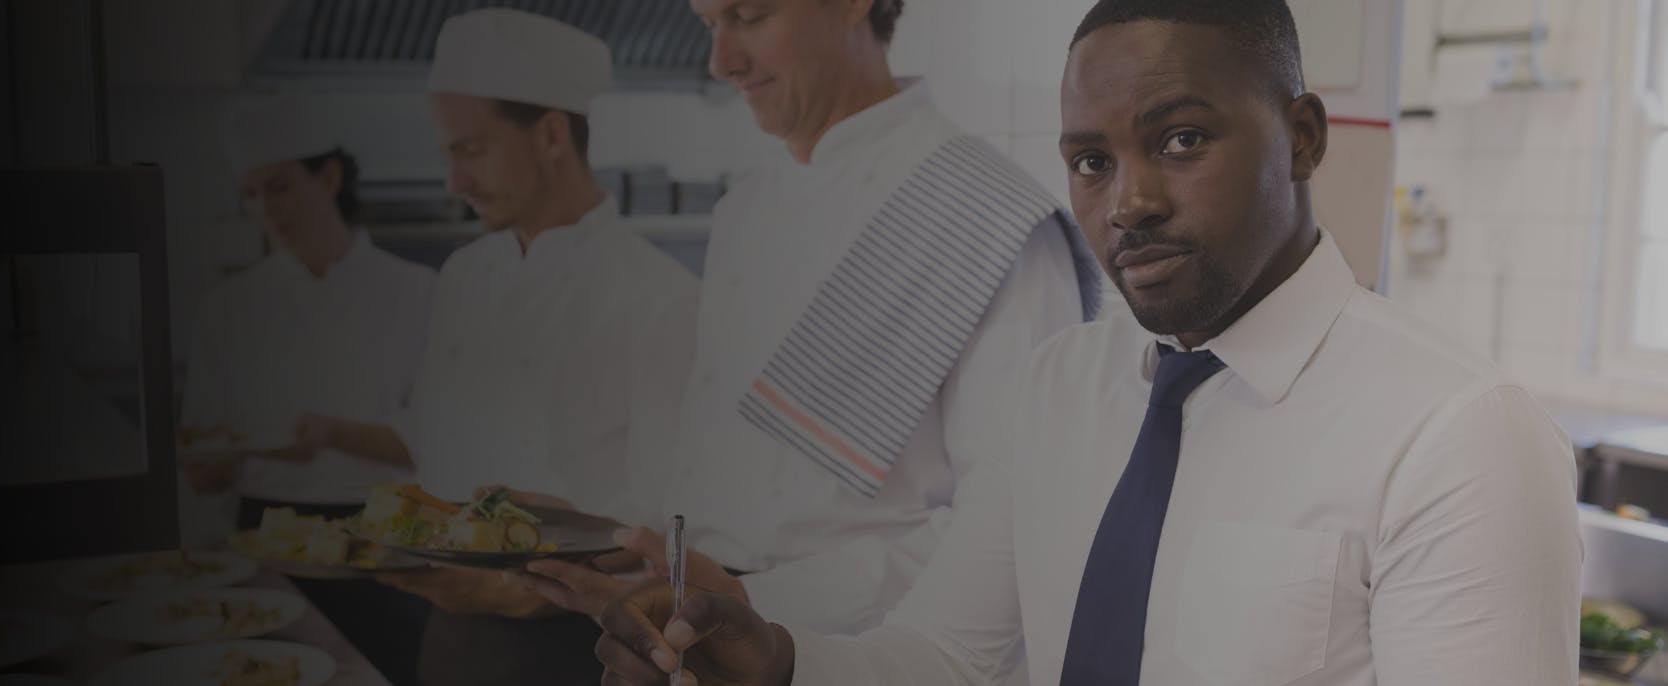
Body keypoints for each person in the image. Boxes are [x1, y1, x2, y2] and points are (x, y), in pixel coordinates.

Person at [592, 1, 1583, 684]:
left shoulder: (1456, 436)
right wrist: (774, 657)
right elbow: (946, 656)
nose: (1129, 202)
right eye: (1088, 160)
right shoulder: (1059, 388)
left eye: (1181, 138)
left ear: (1303, 137)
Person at [515, 0, 1101, 655]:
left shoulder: (984, 215)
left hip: (856, 652)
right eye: (710, 25)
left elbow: (1006, 522)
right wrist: (596, 538)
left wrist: (752, 604)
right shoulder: (744, 209)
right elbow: (718, 477)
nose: (721, 61)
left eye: (749, 15)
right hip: (695, 637)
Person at [294, 9, 700, 685]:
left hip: (581, 643)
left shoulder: (662, 295)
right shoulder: (464, 275)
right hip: (452, 629)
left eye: (471, 150)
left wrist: (529, 583)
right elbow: (436, 450)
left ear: (549, 134)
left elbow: (670, 522)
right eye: (448, 152)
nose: (454, 181)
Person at [179, 97, 437, 685]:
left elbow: (434, 443)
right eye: (250, 194)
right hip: (265, 548)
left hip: (387, 548)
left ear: (328, 177)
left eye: (279, 187)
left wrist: (329, 434)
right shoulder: (226, 309)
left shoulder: (418, 291)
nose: (265, 210)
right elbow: (200, 468)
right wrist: (226, 456)